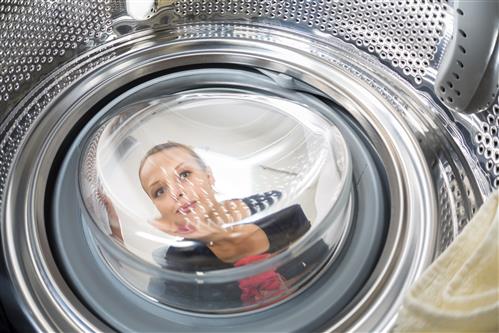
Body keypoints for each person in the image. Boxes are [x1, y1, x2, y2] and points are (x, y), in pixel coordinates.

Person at [139, 142, 318, 307]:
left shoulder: (272, 206)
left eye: (184, 175)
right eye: (160, 191)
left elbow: (320, 271)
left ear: (209, 176)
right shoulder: (177, 260)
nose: (176, 193)